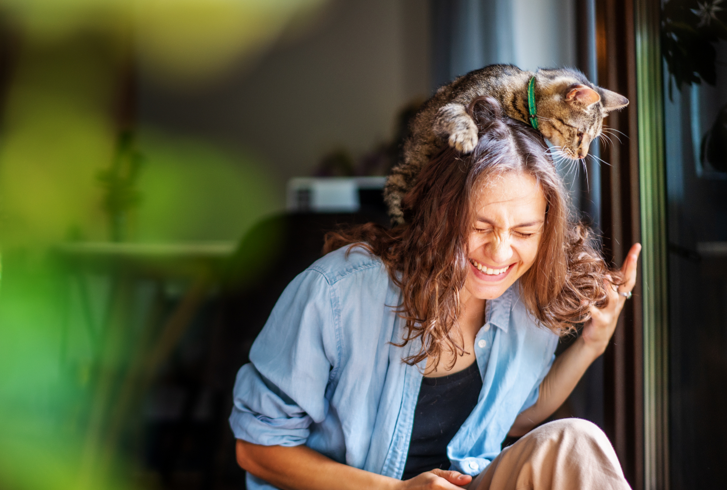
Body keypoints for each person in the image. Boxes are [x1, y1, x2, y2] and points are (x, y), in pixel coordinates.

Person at [229, 97, 640, 490]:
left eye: (524, 232)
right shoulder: (336, 293)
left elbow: (510, 419)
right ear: (441, 214)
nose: (500, 252)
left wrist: (591, 344)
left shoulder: (527, 296)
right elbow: (256, 449)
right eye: (480, 227)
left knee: (576, 442)